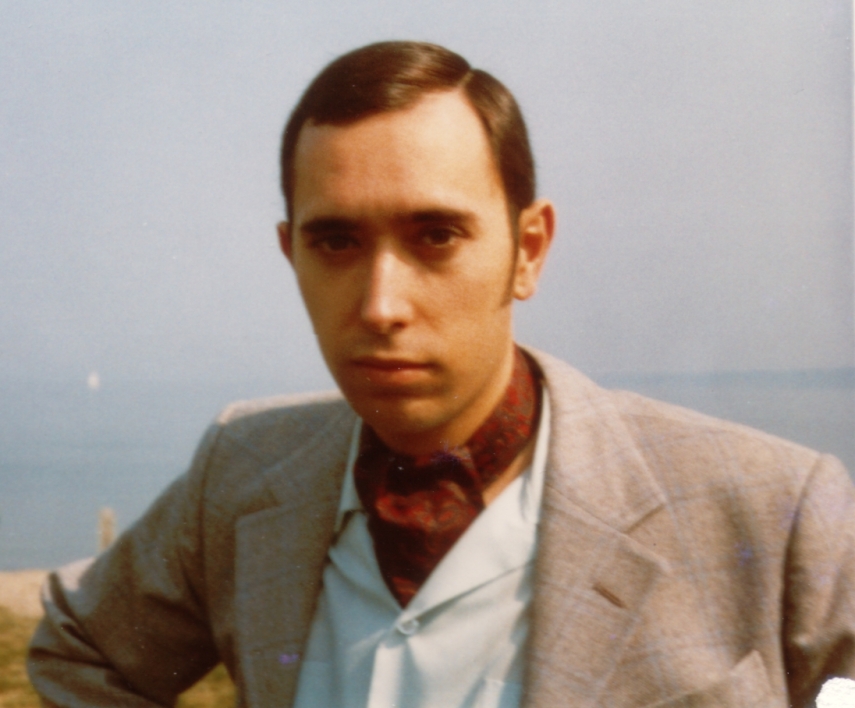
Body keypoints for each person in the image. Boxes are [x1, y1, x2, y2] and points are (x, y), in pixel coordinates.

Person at [28, 41, 855, 708]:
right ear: (291, 255)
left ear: (527, 250)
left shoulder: (777, 509)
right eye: (336, 242)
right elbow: (82, 651)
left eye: (435, 236)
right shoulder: (246, 468)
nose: (381, 305)